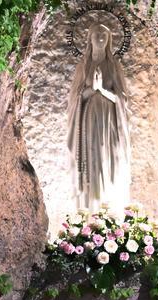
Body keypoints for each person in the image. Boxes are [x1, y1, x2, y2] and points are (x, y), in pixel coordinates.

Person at [66, 22, 131, 212]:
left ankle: (110, 206)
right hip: (89, 120)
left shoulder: (114, 66)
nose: (101, 37)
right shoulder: (84, 66)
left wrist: (102, 90)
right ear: (90, 38)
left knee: (107, 158)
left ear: (110, 40)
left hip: (109, 121)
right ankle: (89, 208)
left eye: (104, 35)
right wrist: (91, 90)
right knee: (91, 159)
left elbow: (122, 98)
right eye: (97, 34)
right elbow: (75, 97)